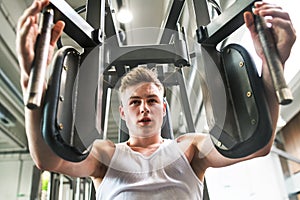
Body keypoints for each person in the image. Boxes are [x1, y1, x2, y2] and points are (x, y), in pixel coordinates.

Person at [16, 0, 296, 199]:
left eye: (151, 100)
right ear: (123, 113)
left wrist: (272, 64)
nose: (144, 108)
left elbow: (255, 144)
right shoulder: (106, 155)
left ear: (163, 107)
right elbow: (48, 159)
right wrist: (32, 81)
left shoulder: (190, 149)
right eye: (134, 102)